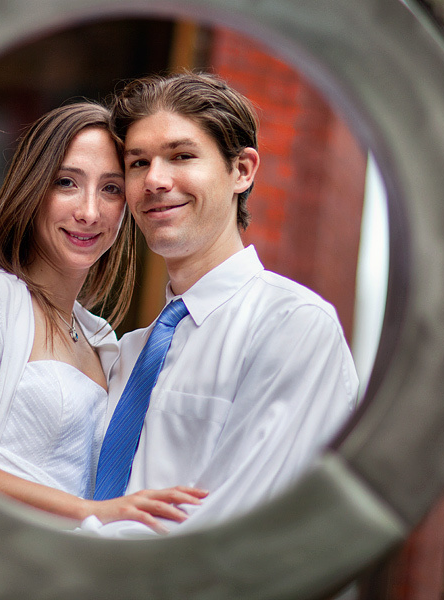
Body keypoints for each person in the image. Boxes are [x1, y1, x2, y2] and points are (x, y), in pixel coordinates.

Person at [0, 101, 207, 599]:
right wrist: (89, 513)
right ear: (33, 190)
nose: (89, 211)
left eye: (111, 189)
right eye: (67, 182)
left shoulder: (106, 345)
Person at [86, 71, 358, 533]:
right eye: (137, 163)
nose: (154, 180)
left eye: (181, 156)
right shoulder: (127, 354)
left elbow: (227, 533)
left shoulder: (294, 327)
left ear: (242, 170)